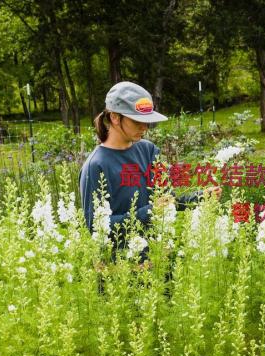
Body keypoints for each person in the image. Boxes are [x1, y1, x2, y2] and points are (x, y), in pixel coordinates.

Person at [79, 81, 221, 262]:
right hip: (122, 269)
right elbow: (95, 227)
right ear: (115, 117)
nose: (145, 128)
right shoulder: (96, 165)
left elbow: (166, 201)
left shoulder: (148, 150)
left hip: (160, 257)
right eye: (137, 121)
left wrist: (200, 197)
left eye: (147, 122)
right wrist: (146, 213)